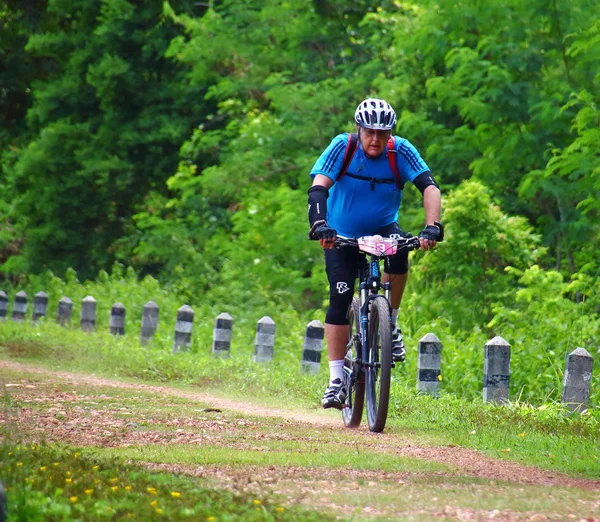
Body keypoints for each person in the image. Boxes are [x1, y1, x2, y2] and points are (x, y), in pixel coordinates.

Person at [307, 97, 443, 409]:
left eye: (383, 133)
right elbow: (318, 187)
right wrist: (320, 225)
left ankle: (390, 324)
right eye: (370, 132)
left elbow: (430, 188)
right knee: (341, 297)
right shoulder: (343, 147)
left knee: (400, 250)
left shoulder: (401, 150)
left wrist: (432, 227)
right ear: (359, 129)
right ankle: (336, 379)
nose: (376, 139)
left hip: (383, 229)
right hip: (340, 235)